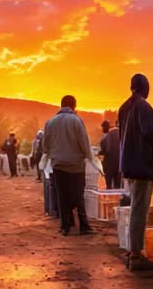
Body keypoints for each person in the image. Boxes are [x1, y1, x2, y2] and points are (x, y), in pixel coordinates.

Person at [119, 73, 153, 272]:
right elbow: (149, 132)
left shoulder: (125, 106)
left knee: (136, 208)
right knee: (139, 210)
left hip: (129, 164)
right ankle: (136, 254)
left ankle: (132, 250)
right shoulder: (143, 106)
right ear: (145, 87)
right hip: (142, 165)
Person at [43, 96, 95, 236]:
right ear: (74, 106)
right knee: (78, 195)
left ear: (61, 106)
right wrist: (89, 157)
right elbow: (84, 143)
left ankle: (65, 226)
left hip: (58, 165)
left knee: (62, 195)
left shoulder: (50, 122)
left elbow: (45, 146)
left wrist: (54, 154)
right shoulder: (77, 121)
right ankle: (83, 226)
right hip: (76, 165)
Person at [98, 121, 122, 190]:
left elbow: (105, 150)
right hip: (118, 164)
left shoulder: (107, 136)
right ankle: (117, 199)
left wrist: (100, 153)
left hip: (109, 164)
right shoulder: (120, 134)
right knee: (117, 186)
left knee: (109, 185)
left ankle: (110, 198)